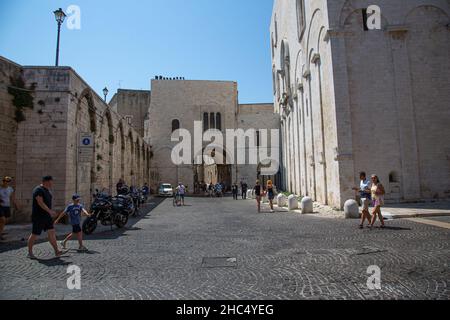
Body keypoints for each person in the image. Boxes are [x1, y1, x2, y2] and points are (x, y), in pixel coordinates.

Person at [28, 176, 66, 259]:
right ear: (46, 181)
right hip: (39, 216)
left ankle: (57, 251)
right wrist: (50, 211)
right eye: (51, 181)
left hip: (47, 216)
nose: (52, 183)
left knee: (52, 232)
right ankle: (30, 253)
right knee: (35, 234)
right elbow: (40, 202)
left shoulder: (47, 190)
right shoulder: (38, 190)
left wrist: (51, 211)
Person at [0, 177, 19, 241]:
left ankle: (1, 232)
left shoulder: (10, 189)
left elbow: (12, 198)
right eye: (6, 181)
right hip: (0, 206)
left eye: (9, 181)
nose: (7, 182)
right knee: (3, 219)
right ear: (3, 181)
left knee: (4, 221)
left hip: (7, 206)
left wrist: (16, 205)